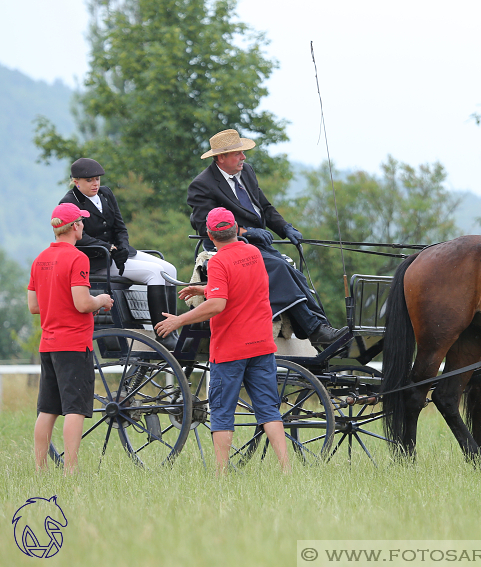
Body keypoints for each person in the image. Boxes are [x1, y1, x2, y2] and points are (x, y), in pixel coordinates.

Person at [154, 208, 290, 474]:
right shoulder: (253, 253)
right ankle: (286, 469)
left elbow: (217, 304)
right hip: (261, 343)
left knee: (222, 411)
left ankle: (221, 472)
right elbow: (242, 286)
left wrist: (178, 320)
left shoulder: (217, 262)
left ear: (209, 235)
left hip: (231, 348)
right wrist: (205, 287)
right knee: (268, 409)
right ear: (236, 228)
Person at [187, 129, 346, 346]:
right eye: (237, 154)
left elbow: (264, 207)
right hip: (227, 246)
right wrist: (244, 231)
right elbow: (203, 225)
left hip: (257, 244)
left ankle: (322, 327)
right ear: (221, 157)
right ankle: (314, 330)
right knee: (278, 267)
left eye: (243, 153)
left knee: (293, 272)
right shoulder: (202, 184)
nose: (243, 157)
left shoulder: (247, 172)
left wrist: (285, 228)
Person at [28, 203, 115, 474]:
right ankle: (71, 469)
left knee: (48, 410)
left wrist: (57, 301)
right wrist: (100, 299)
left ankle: (40, 469)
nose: (83, 226)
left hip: (49, 343)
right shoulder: (78, 258)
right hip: (74, 343)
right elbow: (81, 303)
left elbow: (34, 305)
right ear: (75, 226)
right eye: (81, 222)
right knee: (75, 409)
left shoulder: (40, 258)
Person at [59, 158, 180, 349]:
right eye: (89, 180)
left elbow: (120, 226)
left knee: (169, 269)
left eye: (97, 179)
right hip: (100, 260)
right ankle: (162, 335)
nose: (95, 184)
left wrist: (123, 246)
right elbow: (80, 238)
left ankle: (171, 328)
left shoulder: (106, 194)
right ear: (76, 181)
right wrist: (109, 248)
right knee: (154, 273)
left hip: (119, 254)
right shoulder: (69, 202)